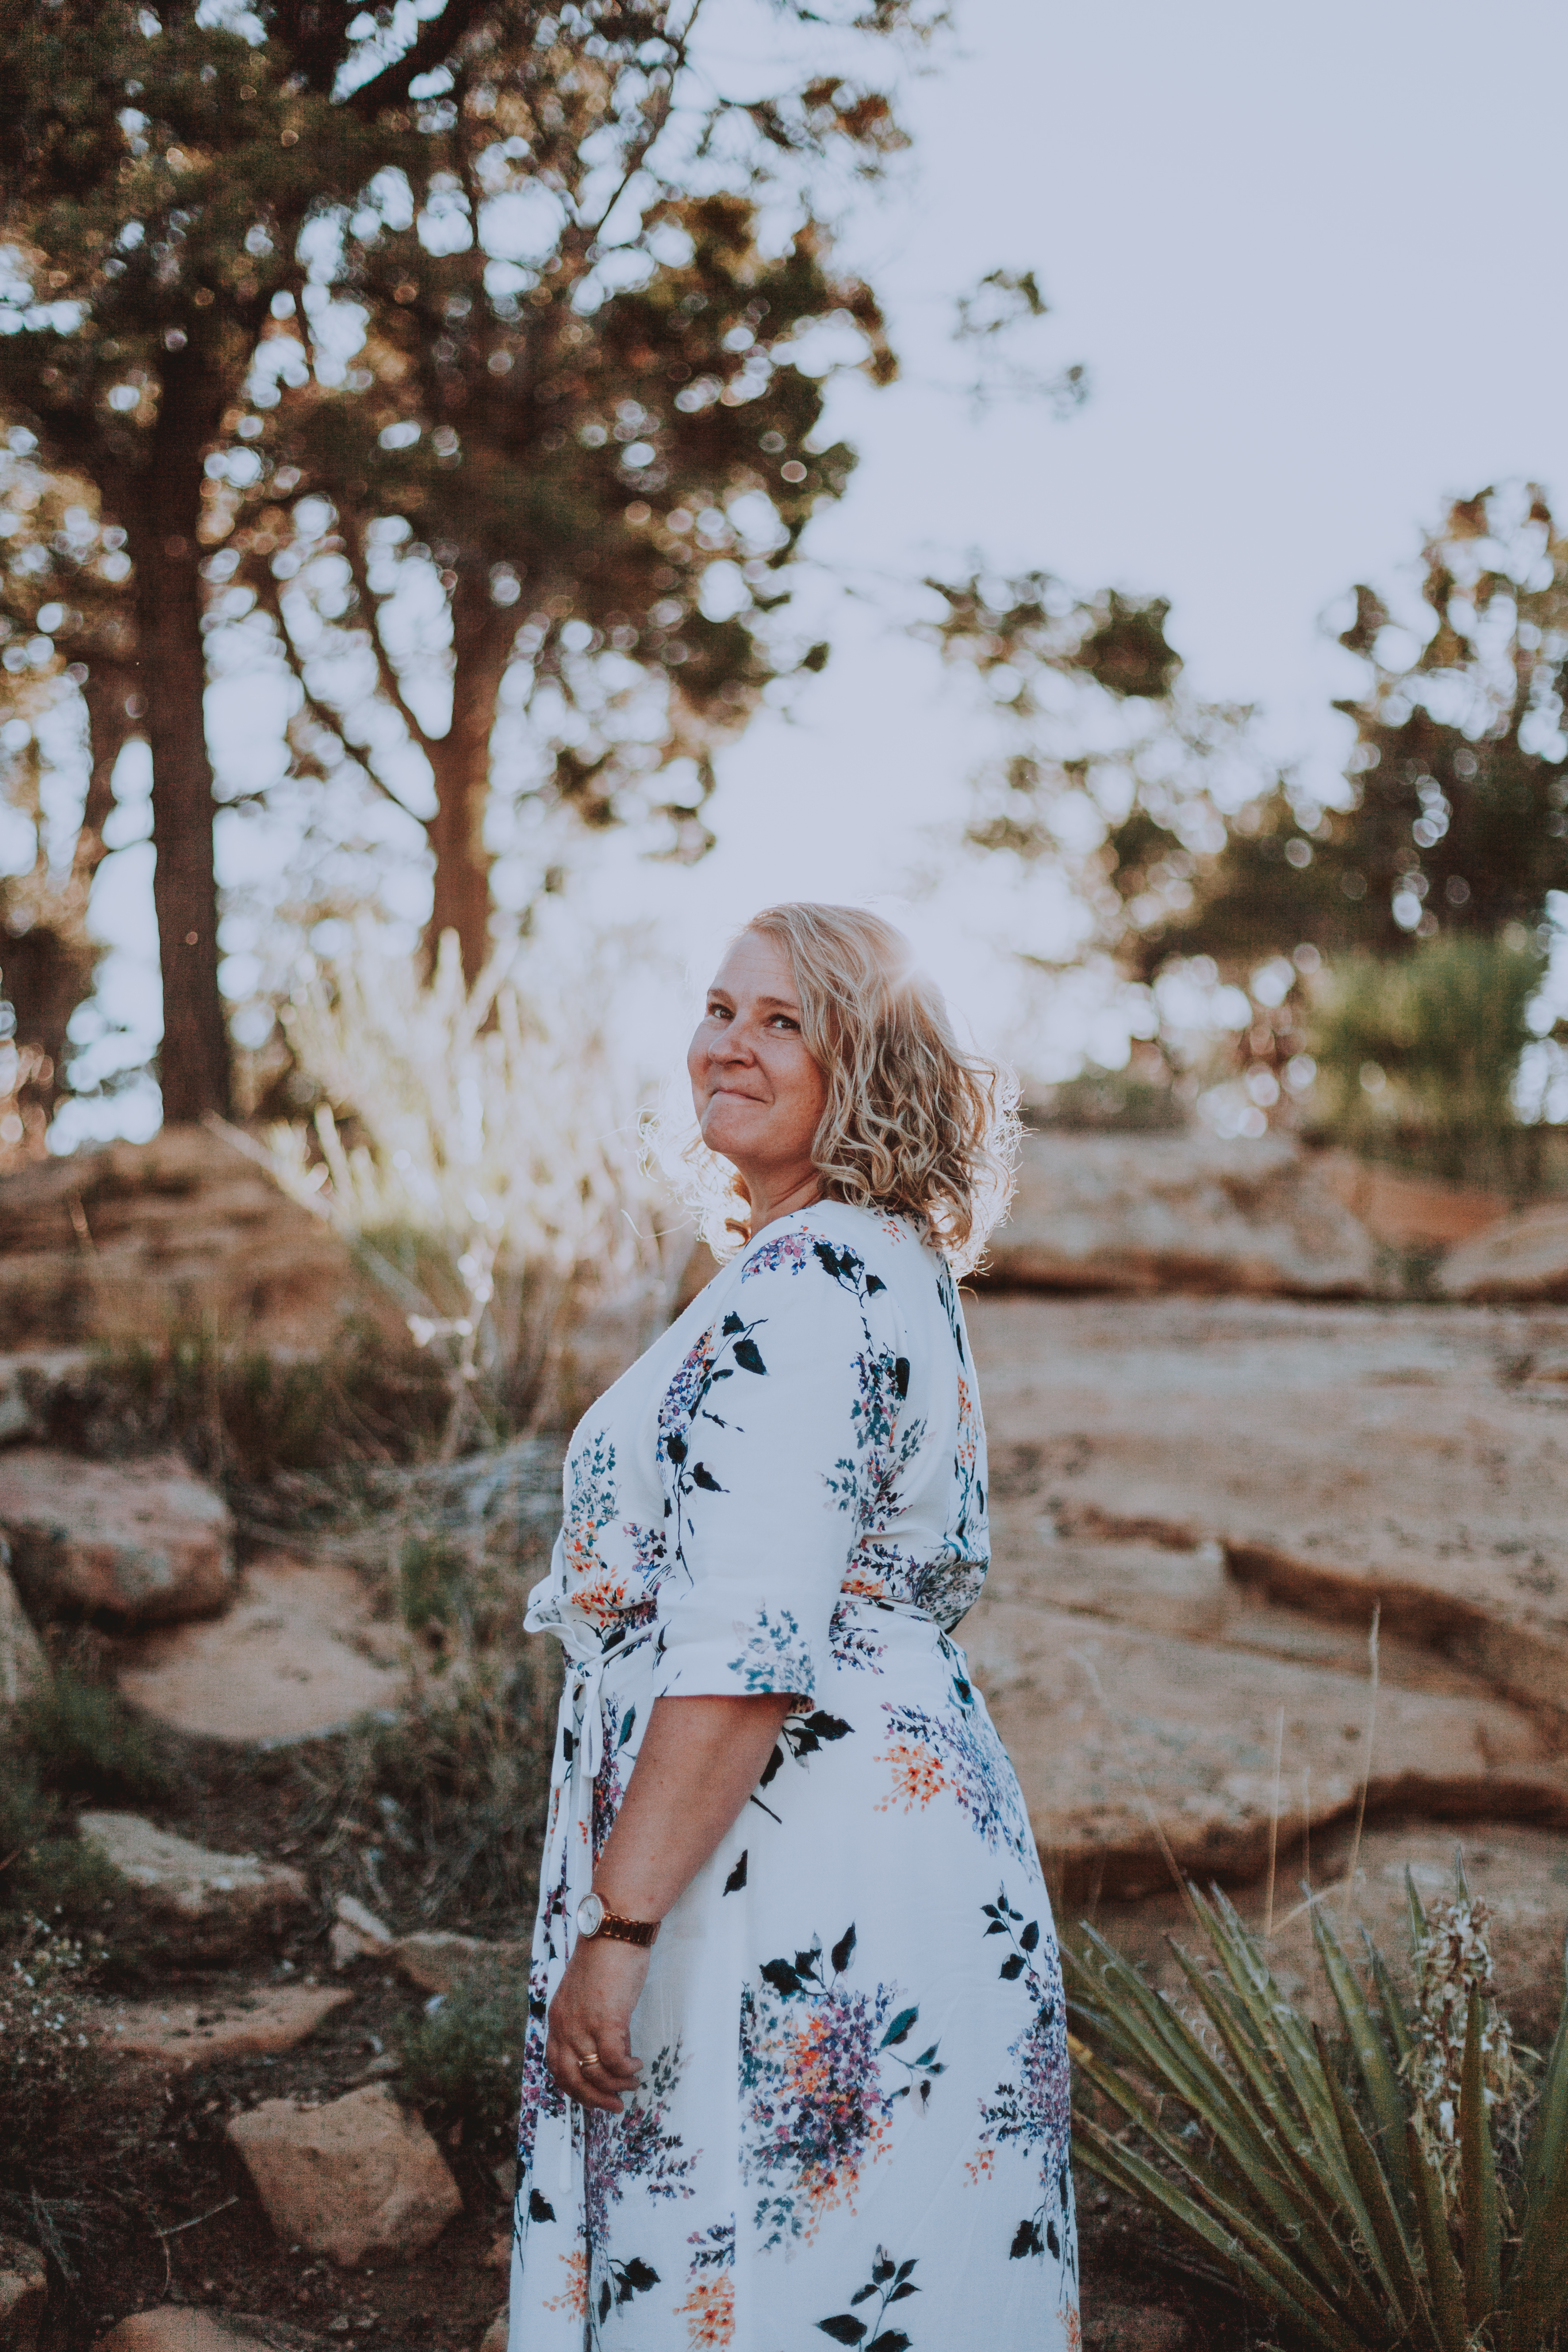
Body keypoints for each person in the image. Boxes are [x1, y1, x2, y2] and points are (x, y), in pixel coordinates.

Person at [510, 903, 1078, 2352]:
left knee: (770, 2280)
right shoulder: (859, 1265)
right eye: (717, 1008)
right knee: (858, 2276)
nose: (727, 1043)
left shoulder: (816, 1284)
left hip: (786, 1861)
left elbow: (746, 1648)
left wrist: (621, 1922)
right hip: (829, 1833)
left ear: (863, 1065)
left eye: (780, 1022)